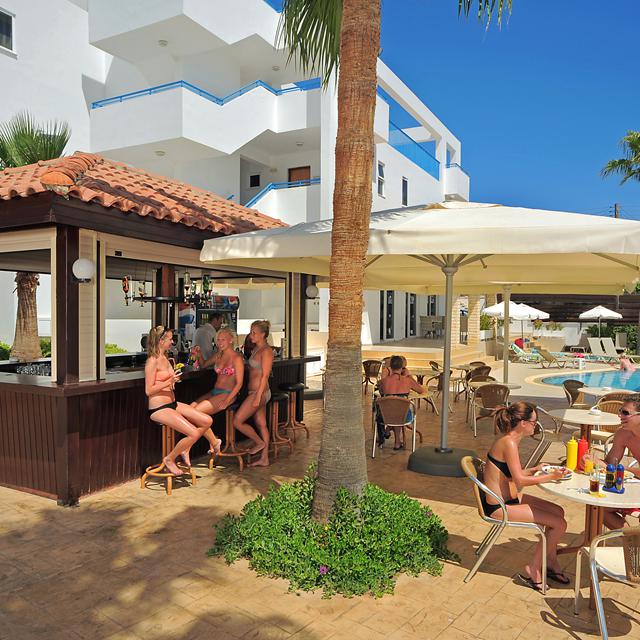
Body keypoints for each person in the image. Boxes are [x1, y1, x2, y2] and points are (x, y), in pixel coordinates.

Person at [484, 403, 570, 592]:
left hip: (509, 498)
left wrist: (535, 469)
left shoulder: (510, 440)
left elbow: (510, 473)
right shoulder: (509, 443)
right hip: (499, 507)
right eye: (534, 422)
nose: (536, 425)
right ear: (523, 423)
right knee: (560, 524)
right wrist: (552, 476)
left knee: (558, 511)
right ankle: (533, 568)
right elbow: (520, 480)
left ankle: (550, 560)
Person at [144, 326, 216, 474]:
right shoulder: (152, 361)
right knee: (193, 433)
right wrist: (168, 381)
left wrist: (173, 379)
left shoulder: (166, 358)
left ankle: (184, 449)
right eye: (170, 339)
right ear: (161, 341)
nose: (172, 342)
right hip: (159, 408)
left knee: (207, 421)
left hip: (172, 403)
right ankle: (170, 459)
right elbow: (148, 390)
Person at [191, 328, 244, 454]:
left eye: (223, 340)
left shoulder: (237, 358)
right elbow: (203, 365)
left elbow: (239, 383)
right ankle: (214, 440)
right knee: (190, 408)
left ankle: (210, 442)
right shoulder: (218, 355)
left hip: (227, 394)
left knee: (195, 412)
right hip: (215, 391)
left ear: (231, 340)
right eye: (218, 340)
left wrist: (227, 400)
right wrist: (198, 354)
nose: (220, 343)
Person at [233, 320, 274, 467]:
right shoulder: (256, 349)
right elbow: (254, 369)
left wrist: (257, 397)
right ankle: (264, 458)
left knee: (237, 420)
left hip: (259, 392)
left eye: (254, 332)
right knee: (261, 424)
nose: (251, 335)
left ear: (263, 334)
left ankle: (259, 443)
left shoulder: (267, 351)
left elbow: (265, 375)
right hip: (255, 391)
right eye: (251, 332)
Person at [598, 394, 640, 529]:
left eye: (625, 413)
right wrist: (594, 462)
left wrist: (624, 470)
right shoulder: (623, 434)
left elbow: (617, 468)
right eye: (620, 411)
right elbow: (610, 464)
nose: (620, 416)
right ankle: (631, 538)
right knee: (599, 508)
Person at [376, 355, 423, 450]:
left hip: (385, 415)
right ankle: (396, 441)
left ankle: (393, 436)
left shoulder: (383, 381)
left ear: (391, 366)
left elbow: (381, 392)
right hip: (403, 415)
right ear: (402, 367)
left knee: (394, 409)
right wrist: (408, 376)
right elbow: (420, 390)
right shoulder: (407, 380)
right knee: (399, 410)